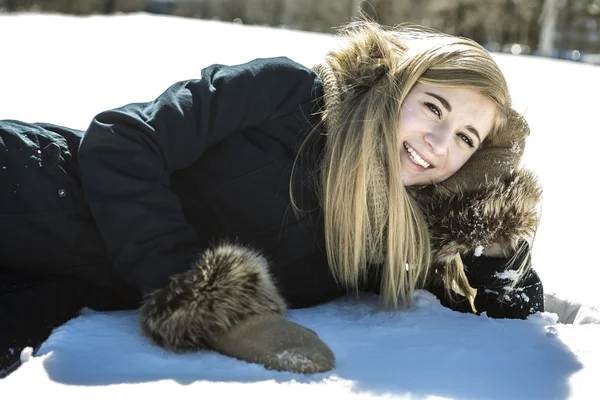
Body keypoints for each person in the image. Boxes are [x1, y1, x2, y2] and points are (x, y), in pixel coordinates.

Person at [0, 20, 544, 377]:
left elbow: (500, 312)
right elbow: (123, 139)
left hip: (46, 283)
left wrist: (493, 234)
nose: (440, 142)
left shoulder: (390, 237)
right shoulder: (289, 94)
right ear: (395, 87)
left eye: (467, 140)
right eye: (433, 108)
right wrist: (204, 298)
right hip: (31, 186)